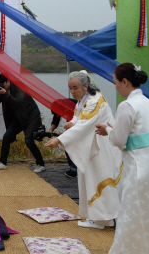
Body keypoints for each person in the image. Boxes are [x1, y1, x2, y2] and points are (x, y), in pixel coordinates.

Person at [95, 63, 149, 254]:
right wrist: (113, 129)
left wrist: (108, 130)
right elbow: (142, 135)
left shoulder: (126, 105)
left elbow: (119, 140)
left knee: (133, 215)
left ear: (125, 82)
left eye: (116, 83)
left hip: (142, 170)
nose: (116, 88)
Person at [44, 71, 121, 229]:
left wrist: (60, 139)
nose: (72, 91)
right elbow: (79, 118)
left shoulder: (94, 101)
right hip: (92, 144)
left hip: (100, 146)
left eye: (75, 88)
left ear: (86, 86)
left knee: (98, 179)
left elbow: (84, 124)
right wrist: (71, 123)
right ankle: (98, 217)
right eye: (70, 88)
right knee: (90, 179)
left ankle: (101, 218)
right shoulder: (84, 100)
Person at [0, 74, 46, 172]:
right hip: (18, 118)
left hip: (30, 116)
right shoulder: (4, 91)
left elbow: (18, 102)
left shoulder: (19, 87)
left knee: (29, 140)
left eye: (2, 83)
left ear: (8, 81)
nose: (1, 86)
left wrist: (5, 93)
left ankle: (41, 164)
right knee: (7, 136)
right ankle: (3, 163)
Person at [49, 98, 78, 177]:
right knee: (66, 142)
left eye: (59, 114)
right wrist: (51, 130)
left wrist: (66, 134)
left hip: (80, 128)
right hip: (73, 126)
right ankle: (73, 167)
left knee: (68, 143)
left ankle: (74, 169)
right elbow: (56, 119)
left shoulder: (73, 107)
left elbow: (77, 125)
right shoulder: (59, 107)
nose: (58, 116)